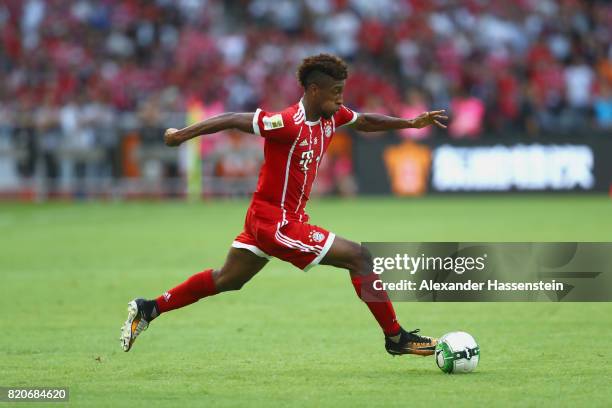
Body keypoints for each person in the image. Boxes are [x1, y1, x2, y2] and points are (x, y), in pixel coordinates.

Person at [120, 54, 447, 356]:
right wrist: (181, 135)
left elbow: (364, 121)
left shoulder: (333, 116)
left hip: (266, 218)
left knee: (227, 279)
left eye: (342, 91)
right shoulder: (287, 122)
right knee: (361, 258)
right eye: (335, 91)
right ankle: (396, 338)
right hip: (277, 223)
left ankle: (149, 308)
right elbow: (234, 118)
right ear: (314, 90)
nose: (341, 98)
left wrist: (409, 124)